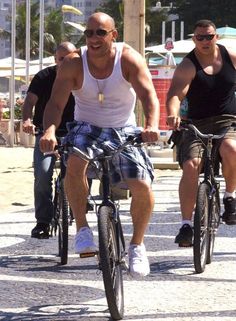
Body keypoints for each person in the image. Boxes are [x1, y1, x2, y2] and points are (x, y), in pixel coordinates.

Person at [39, 12, 160, 278]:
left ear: (113, 34)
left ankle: (137, 246)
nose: (93, 39)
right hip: (87, 127)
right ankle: (82, 229)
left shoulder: (128, 59)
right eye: (89, 33)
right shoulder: (73, 63)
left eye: (100, 33)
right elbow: (56, 104)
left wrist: (151, 124)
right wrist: (49, 129)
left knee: (142, 184)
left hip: (123, 129)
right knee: (75, 162)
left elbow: (148, 96)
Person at [166, 19, 236, 247]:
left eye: (209, 36)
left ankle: (230, 197)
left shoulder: (231, 57)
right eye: (200, 37)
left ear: (216, 37)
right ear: (193, 39)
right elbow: (176, 94)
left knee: (231, 149)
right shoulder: (188, 65)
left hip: (228, 121)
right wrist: (173, 114)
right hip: (196, 123)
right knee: (191, 165)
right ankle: (186, 224)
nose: (205, 41)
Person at [22, 42, 76, 239]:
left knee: (81, 170)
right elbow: (29, 101)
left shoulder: (83, 76)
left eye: (70, 57)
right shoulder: (44, 77)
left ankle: (78, 205)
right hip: (46, 133)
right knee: (43, 174)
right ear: (55, 59)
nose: (66, 62)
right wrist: (27, 119)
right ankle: (43, 221)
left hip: (76, 133)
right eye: (62, 58)